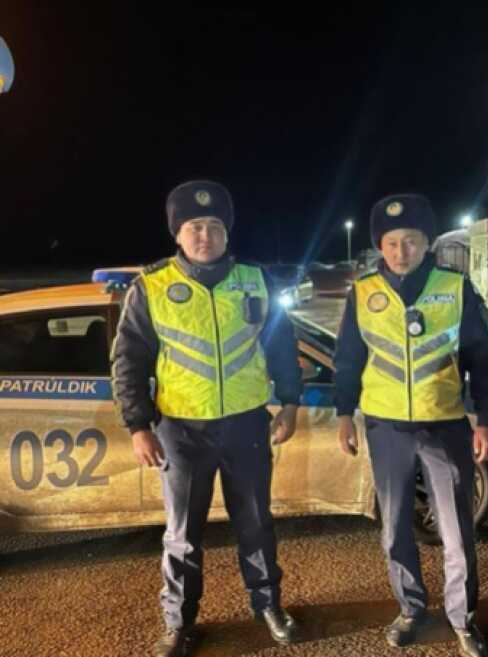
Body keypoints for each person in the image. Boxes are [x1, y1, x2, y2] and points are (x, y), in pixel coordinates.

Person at [110, 179, 303, 657]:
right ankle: (179, 623)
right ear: (178, 234)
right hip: (181, 430)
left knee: (256, 523)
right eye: (194, 226)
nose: (205, 236)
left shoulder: (255, 279)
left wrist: (291, 402)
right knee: (182, 535)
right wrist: (138, 426)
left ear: (226, 232)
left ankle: (268, 606)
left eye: (214, 226)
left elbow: (280, 346)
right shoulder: (150, 287)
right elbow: (129, 360)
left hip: (246, 424)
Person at [333, 193, 488, 657]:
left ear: (427, 243)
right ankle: (411, 610)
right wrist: (343, 414)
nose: (400, 250)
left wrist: (486, 421)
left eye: (410, 240)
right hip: (385, 430)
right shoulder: (364, 293)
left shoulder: (455, 288)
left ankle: (462, 618)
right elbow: (348, 359)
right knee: (394, 530)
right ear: (380, 246)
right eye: (391, 242)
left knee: (456, 531)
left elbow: (484, 361)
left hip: (445, 427)